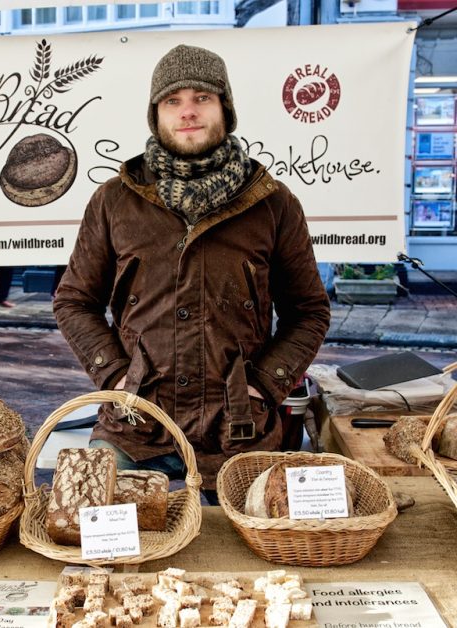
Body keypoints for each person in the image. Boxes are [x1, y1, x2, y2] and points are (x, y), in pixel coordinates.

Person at [52, 45, 331, 498]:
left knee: (255, 555)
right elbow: (73, 301)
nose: (187, 112)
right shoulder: (115, 201)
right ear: (156, 114)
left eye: (202, 97)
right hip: (135, 425)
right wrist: (116, 377)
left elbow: (309, 311)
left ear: (225, 107)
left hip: (238, 429)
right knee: (103, 540)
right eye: (172, 101)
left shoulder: (273, 203)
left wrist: (265, 384)